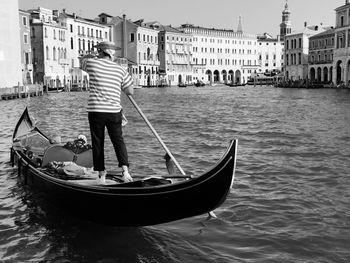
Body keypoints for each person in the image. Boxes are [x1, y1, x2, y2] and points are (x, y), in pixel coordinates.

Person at [80, 41, 134, 184]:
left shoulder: (91, 63)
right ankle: (125, 172)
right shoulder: (121, 70)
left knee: (98, 143)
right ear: (111, 54)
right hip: (114, 111)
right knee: (118, 141)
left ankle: (101, 175)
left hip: (96, 110)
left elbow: (81, 62)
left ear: (100, 52)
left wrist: (90, 55)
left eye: (98, 51)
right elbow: (130, 91)